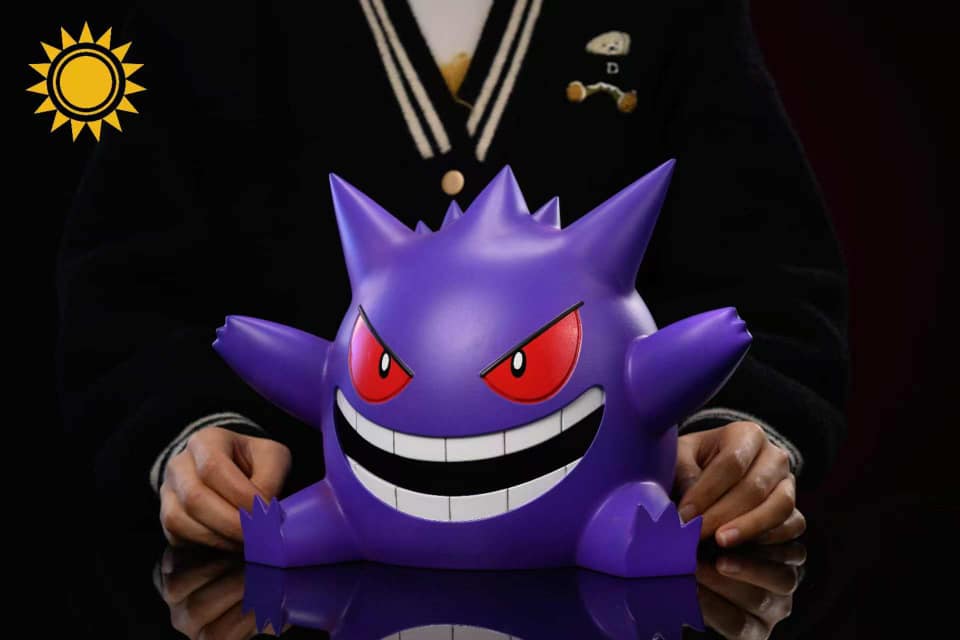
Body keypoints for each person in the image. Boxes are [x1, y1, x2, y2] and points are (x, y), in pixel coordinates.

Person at [57, 1, 847, 552]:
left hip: (619, 566)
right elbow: (120, 293)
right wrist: (187, 430)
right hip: (281, 569)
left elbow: (776, 289)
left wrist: (743, 426)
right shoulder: (196, 19)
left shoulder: (679, 15)